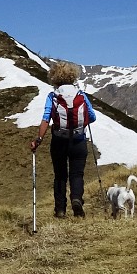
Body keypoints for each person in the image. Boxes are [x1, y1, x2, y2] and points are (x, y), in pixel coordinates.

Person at [29, 61, 97, 218]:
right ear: (73, 76)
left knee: (60, 175)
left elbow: (46, 118)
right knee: (77, 174)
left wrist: (38, 139)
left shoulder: (53, 96)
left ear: (54, 78)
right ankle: (76, 199)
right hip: (79, 141)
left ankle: (60, 210)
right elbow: (92, 117)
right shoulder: (81, 95)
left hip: (59, 141)